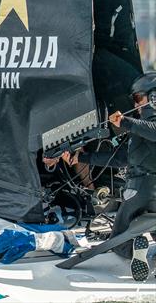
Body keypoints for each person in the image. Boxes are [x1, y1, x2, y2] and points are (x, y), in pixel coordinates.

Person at [46, 72, 156, 281]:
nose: (136, 103)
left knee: (119, 241)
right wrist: (82, 157)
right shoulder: (142, 128)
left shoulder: (145, 123)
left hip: (139, 190)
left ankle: (133, 248)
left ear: (152, 97)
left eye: (137, 98)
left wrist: (126, 122)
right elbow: (120, 158)